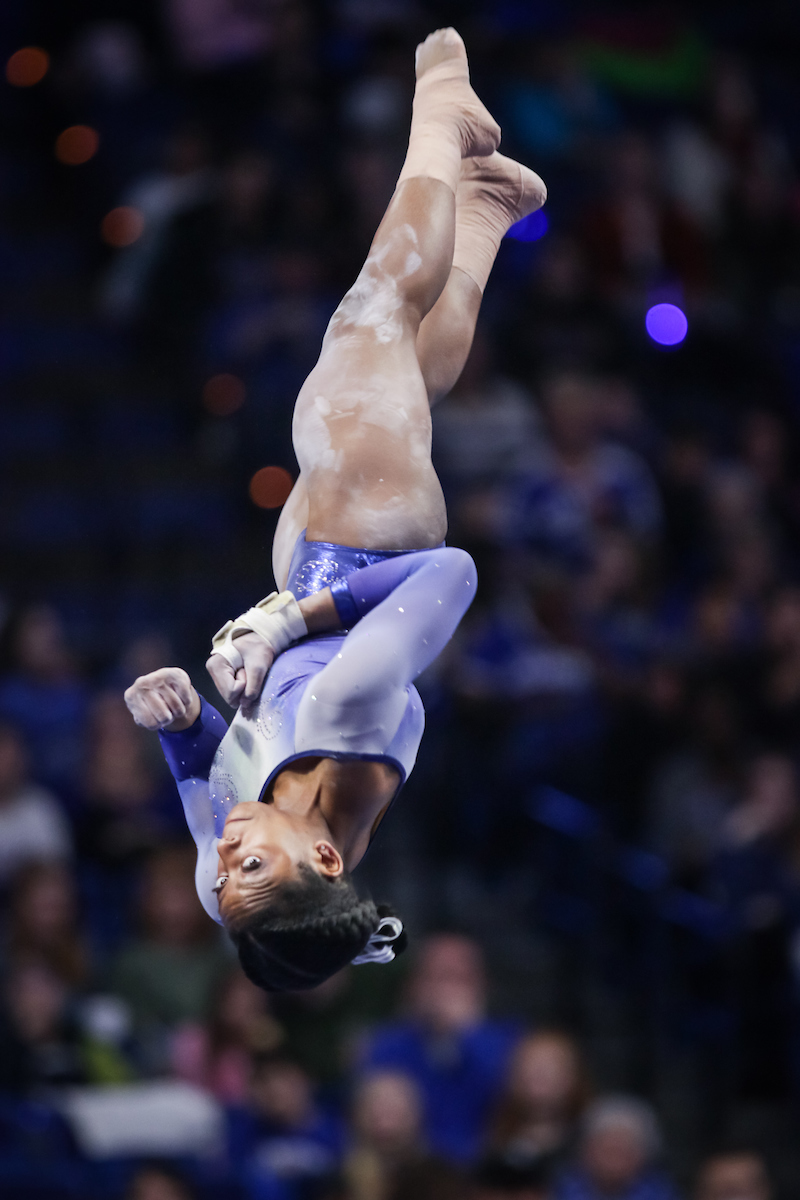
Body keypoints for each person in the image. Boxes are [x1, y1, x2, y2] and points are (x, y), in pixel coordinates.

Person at [124, 27, 546, 992]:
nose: (224, 860)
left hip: (306, 556)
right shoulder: (349, 717)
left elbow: (211, 786)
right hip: (378, 536)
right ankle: (443, 116)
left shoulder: (241, 883)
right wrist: (282, 626)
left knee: (402, 374)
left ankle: (487, 206)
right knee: (373, 313)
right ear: (325, 859)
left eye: (224, 881)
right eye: (249, 868)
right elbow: (451, 574)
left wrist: (179, 723)